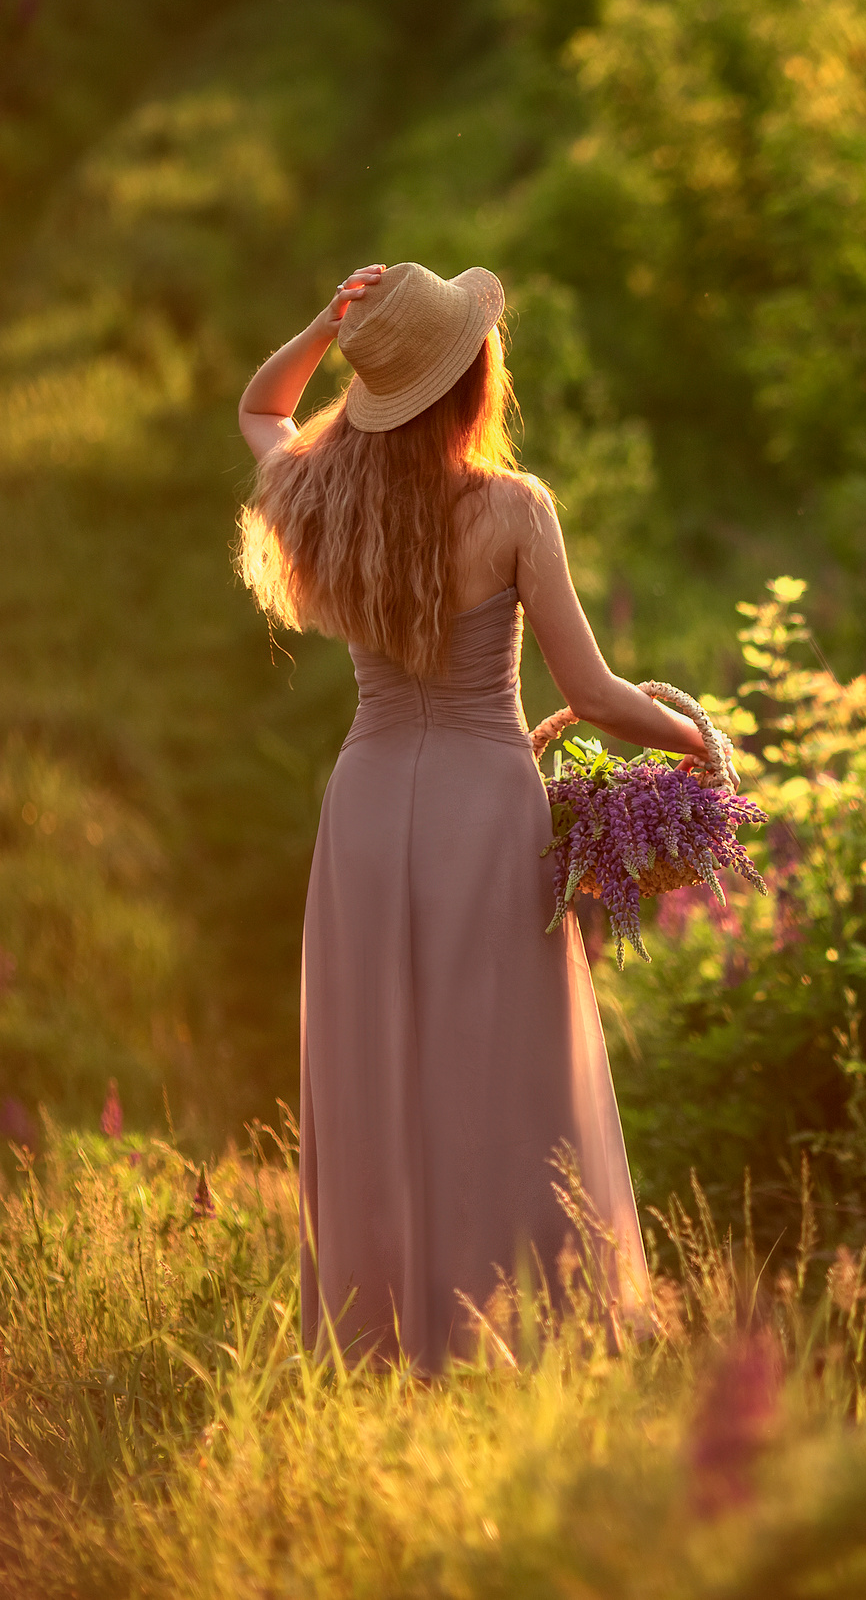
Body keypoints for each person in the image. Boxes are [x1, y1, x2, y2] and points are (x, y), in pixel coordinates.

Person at [234, 261, 704, 1371]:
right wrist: (697, 741)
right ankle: (523, 1325)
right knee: (503, 1066)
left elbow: (260, 407)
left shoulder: (317, 495)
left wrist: (326, 325)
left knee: (378, 1068)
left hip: (364, 807)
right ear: (470, 377)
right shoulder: (512, 507)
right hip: (484, 808)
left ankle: (383, 1337)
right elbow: (590, 696)